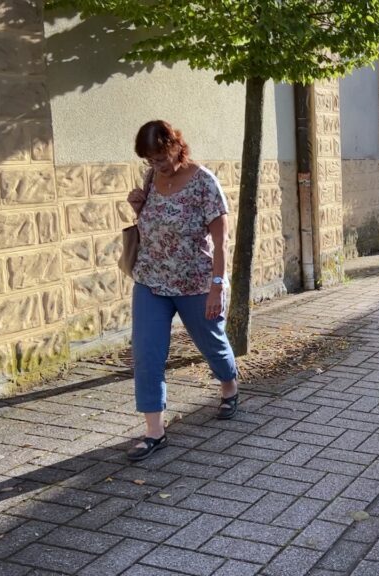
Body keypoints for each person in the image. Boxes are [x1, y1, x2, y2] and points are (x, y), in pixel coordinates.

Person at [125, 120, 240, 462]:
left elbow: (221, 243)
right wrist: (138, 207)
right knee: (146, 355)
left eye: (160, 156)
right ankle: (154, 431)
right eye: (149, 160)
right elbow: (151, 227)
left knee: (211, 342)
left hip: (195, 282)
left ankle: (229, 386)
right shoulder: (151, 179)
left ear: (176, 144)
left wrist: (217, 287)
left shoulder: (204, 181)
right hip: (151, 281)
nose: (156, 165)